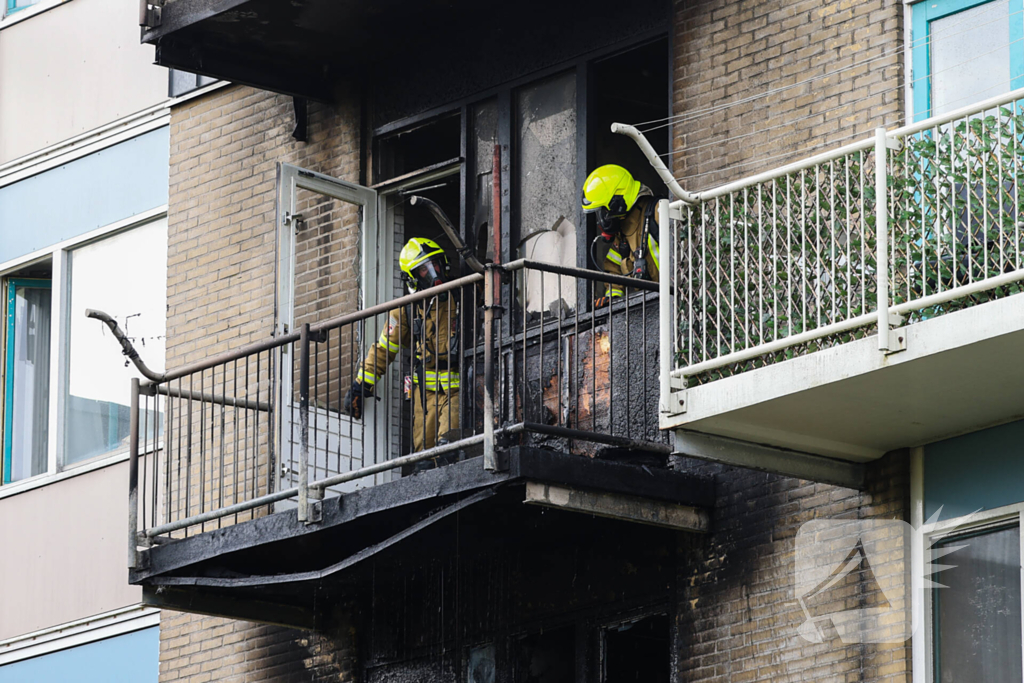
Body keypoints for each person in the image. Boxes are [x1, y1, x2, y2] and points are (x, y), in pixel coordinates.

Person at [342, 237, 460, 454]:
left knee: (449, 450)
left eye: (435, 264)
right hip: (424, 397)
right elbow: (384, 349)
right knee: (424, 457)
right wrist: (361, 384)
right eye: (424, 270)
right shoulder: (406, 310)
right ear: (412, 278)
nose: (434, 273)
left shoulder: (462, 295)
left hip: (457, 391)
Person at [581, 164, 661, 305]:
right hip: (652, 304)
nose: (603, 219)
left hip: (674, 296)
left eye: (604, 212)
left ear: (617, 203)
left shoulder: (658, 212)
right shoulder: (622, 236)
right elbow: (613, 271)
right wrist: (612, 298)